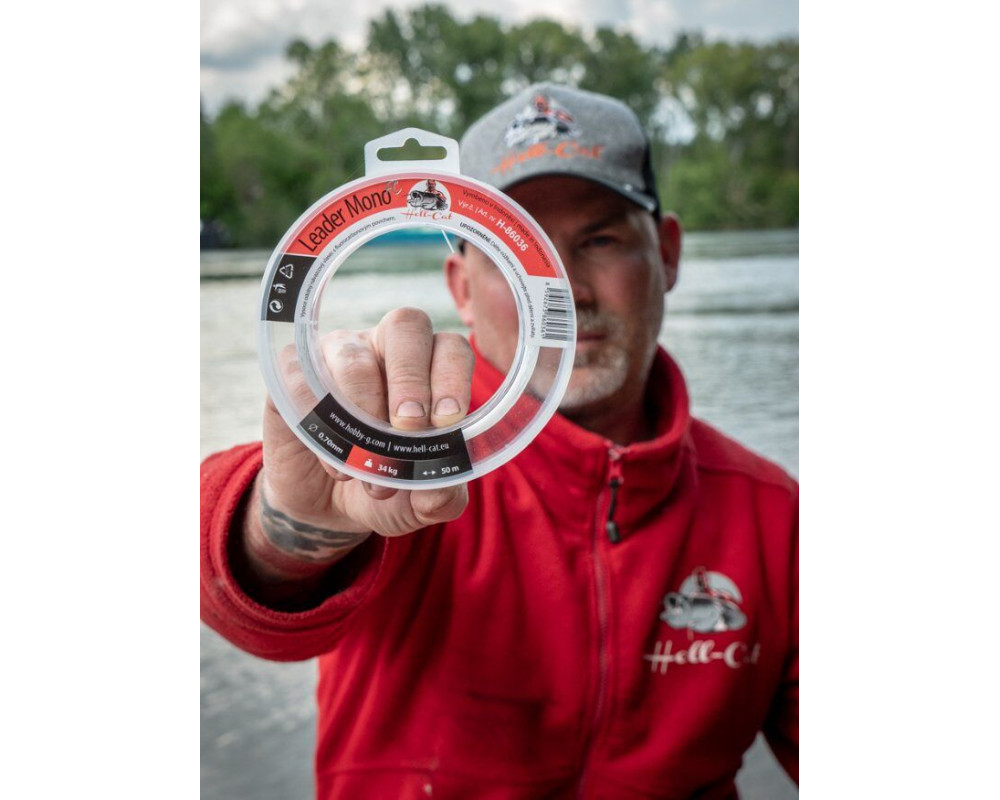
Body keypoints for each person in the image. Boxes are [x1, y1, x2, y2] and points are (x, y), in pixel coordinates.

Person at [201, 83, 798, 798]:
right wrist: (291, 522)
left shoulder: (777, 517)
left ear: (667, 255)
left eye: (600, 240)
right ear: (460, 286)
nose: (566, 291)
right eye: (517, 254)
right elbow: (237, 594)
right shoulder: (398, 455)